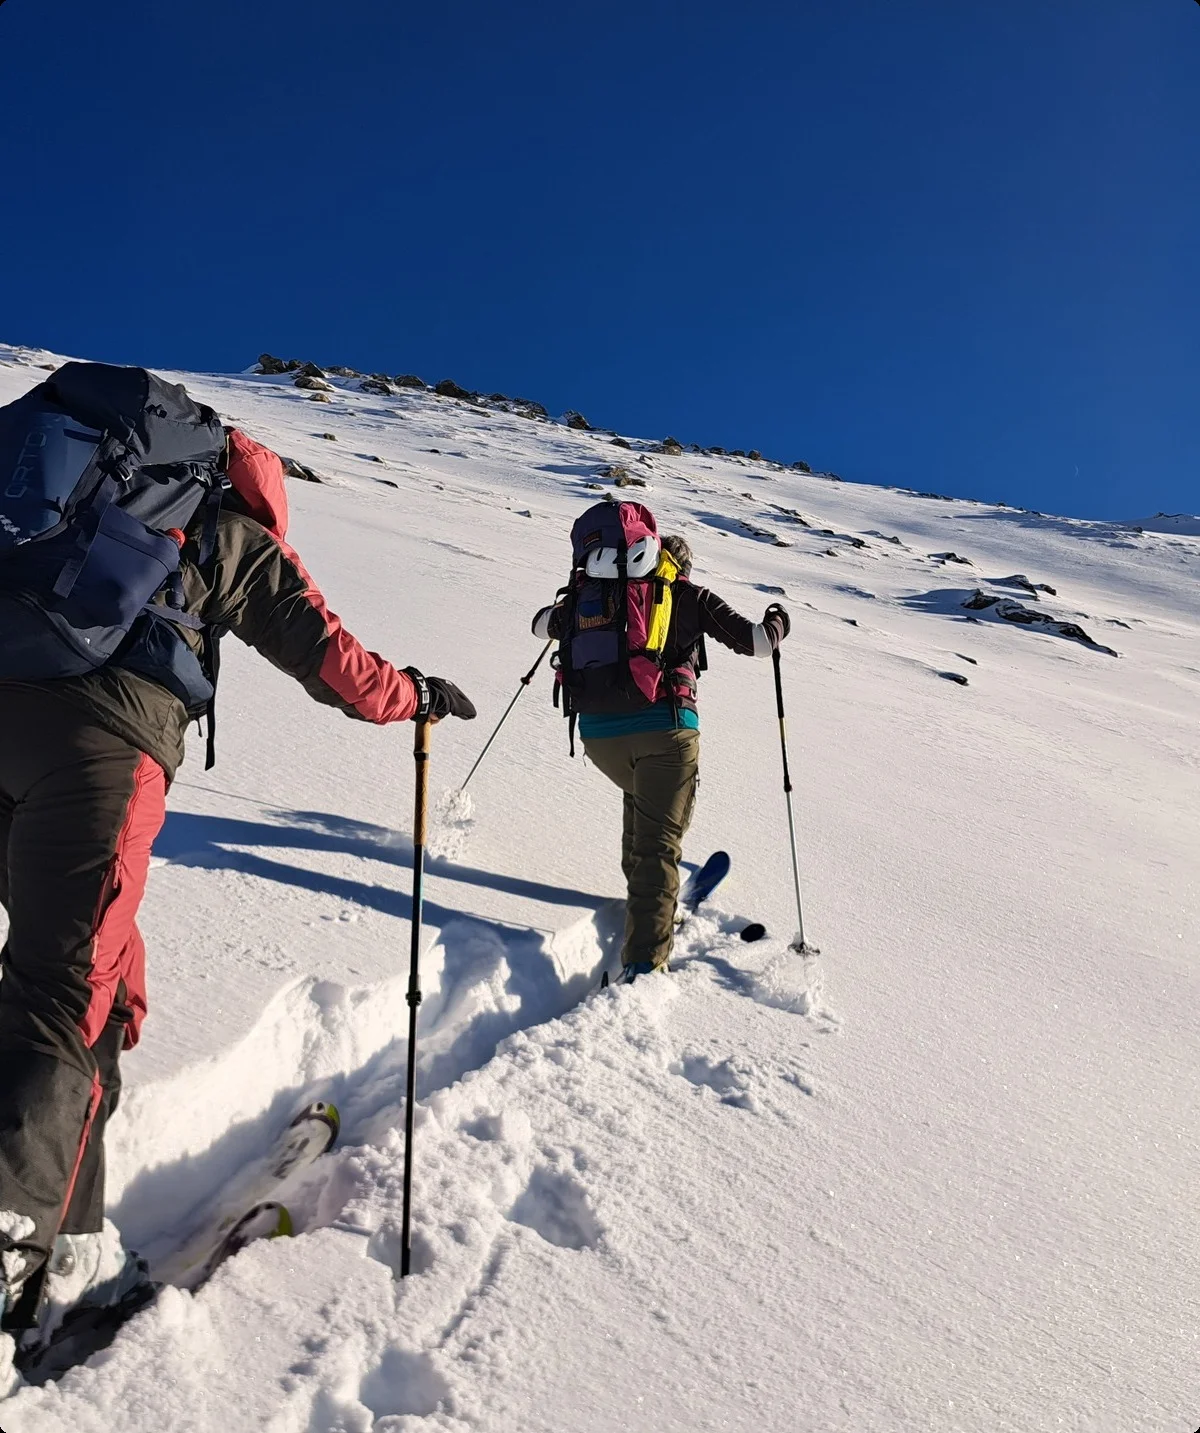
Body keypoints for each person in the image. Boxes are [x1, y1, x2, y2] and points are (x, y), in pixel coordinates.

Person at [0, 409, 476, 1354]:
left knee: (89, 984)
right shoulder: (218, 531)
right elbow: (335, 663)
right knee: (65, 996)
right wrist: (412, 694)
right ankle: (14, 1241)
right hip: (102, 751)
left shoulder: (52, 520)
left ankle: (73, 1240)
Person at [534, 519, 788, 981]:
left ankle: (649, 900)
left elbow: (539, 627)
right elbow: (756, 644)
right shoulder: (689, 595)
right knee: (660, 843)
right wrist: (778, 622)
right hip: (666, 732)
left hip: (598, 735)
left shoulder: (596, 596)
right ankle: (645, 962)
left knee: (642, 808)